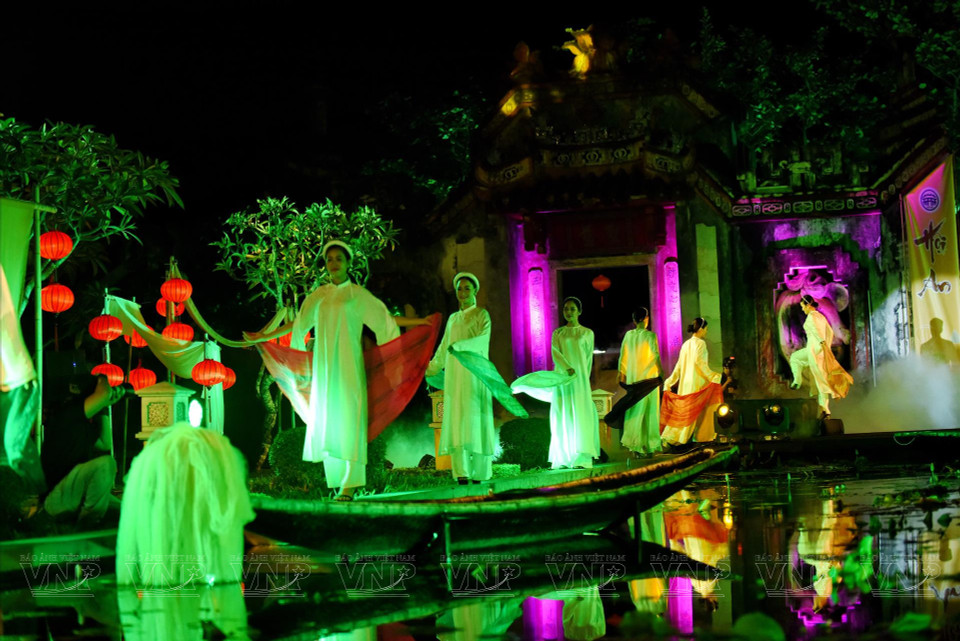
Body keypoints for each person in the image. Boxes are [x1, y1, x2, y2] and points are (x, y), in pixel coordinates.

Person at [290, 240, 400, 501]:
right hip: (325, 366)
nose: (334, 263)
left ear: (349, 263)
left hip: (349, 365)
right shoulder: (319, 295)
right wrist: (298, 358)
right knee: (330, 419)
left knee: (350, 419)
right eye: (329, 259)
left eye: (339, 258)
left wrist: (392, 357)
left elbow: (384, 322)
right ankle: (337, 483)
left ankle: (349, 485)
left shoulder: (357, 295)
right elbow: (300, 324)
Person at [426, 273, 495, 484]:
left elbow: (482, 340)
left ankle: (480, 472)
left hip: (475, 374)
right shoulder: (453, 318)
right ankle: (461, 472)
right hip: (455, 375)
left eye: (467, 288)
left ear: (475, 291)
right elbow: (444, 346)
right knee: (457, 418)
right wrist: (431, 367)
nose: (463, 292)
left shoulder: (482, 315)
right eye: (459, 289)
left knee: (477, 418)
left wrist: (460, 346)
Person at [40, 373, 122, 525]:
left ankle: (89, 522)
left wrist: (103, 408)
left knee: (124, 510)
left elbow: (105, 444)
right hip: (58, 496)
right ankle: (87, 526)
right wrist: (102, 379)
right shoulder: (67, 414)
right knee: (106, 464)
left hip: (74, 492)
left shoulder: (81, 423)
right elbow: (104, 394)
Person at [547, 296, 599, 469]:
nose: (569, 312)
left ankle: (581, 457)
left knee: (580, 413)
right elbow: (555, 353)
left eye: (572, 309)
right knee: (563, 412)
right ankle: (563, 457)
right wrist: (567, 368)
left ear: (579, 311)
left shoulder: (587, 333)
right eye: (566, 309)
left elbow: (588, 358)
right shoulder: (558, 333)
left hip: (580, 379)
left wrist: (583, 376)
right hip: (563, 378)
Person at [660, 318, 723, 449]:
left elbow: (678, 366)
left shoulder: (686, 344)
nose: (706, 331)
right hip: (697, 382)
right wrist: (712, 376)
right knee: (693, 413)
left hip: (685, 383)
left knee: (685, 412)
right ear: (701, 329)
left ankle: (671, 438)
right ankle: (683, 439)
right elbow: (699, 362)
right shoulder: (700, 343)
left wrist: (670, 381)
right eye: (706, 329)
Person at [789, 294, 853, 419]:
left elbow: (817, 331)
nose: (802, 309)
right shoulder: (821, 317)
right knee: (820, 380)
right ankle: (825, 409)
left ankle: (798, 381)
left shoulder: (812, 317)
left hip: (815, 350)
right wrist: (825, 345)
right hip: (818, 349)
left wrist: (822, 343)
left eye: (803, 306)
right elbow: (829, 332)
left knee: (818, 378)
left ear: (808, 305)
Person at [618, 306, 663, 457]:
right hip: (649, 379)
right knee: (650, 411)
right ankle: (649, 446)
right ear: (646, 319)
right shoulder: (650, 336)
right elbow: (655, 354)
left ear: (634, 320)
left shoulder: (629, 335)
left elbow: (623, 355)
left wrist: (621, 372)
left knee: (635, 411)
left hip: (634, 379)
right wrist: (661, 371)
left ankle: (636, 446)